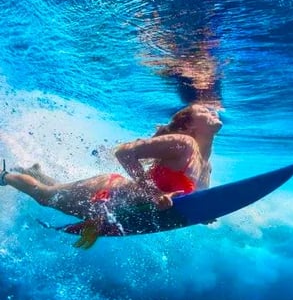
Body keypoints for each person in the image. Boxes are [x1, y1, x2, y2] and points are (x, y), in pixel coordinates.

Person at [0, 104, 223, 249]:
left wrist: (202, 215)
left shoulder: (206, 165)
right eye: (203, 111)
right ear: (189, 125)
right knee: (46, 197)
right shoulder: (183, 143)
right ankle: (6, 176)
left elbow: (192, 198)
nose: (212, 111)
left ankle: (35, 171)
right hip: (107, 194)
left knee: (56, 192)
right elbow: (124, 153)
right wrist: (154, 192)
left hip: (123, 204)